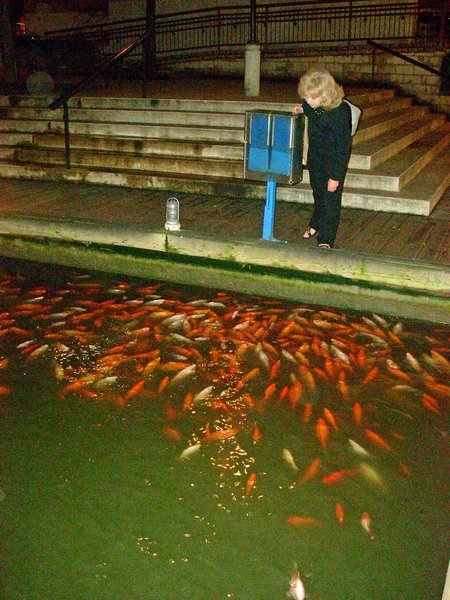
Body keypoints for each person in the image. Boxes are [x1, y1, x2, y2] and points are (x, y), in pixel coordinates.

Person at [293, 69, 352, 249]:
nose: (308, 101)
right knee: (318, 193)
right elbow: (314, 113)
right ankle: (316, 224)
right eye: (306, 97)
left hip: (332, 160)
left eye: (311, 98)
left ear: (324, 95)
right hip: (316, 157)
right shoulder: (313, 105)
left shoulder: (340, 112)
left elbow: (342, 148)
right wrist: (304, 109)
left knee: (331, 200)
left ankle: (326, 239)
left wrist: (335, 176)